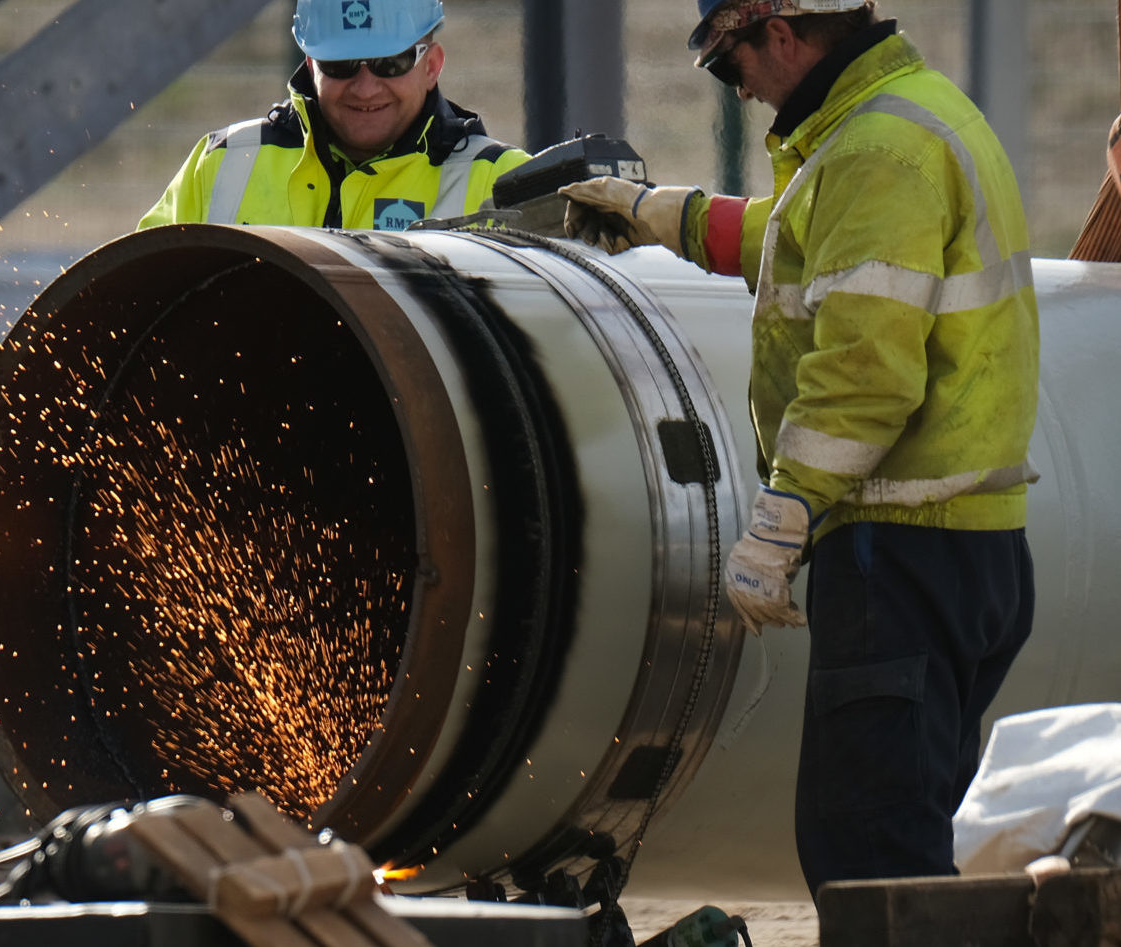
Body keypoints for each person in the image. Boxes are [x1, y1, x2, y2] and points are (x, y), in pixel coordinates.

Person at [559, 0, 1040, 896]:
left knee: (868, 854)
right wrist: (662, 216)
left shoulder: (874, 154)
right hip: (964, 550)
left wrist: (783, 515)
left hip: (899, 546)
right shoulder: (912, 113)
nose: (735, 87)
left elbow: (865, 372)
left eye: (727, 61)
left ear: (779, 34)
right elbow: (803, 239)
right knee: (901, 830)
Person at [138, 0, 529, 231]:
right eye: (340, 65)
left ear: (431, 66)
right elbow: (133, 296)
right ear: (311, 66)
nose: (365, 87)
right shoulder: (220, 164)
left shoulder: (502, 185)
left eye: (389, 63)